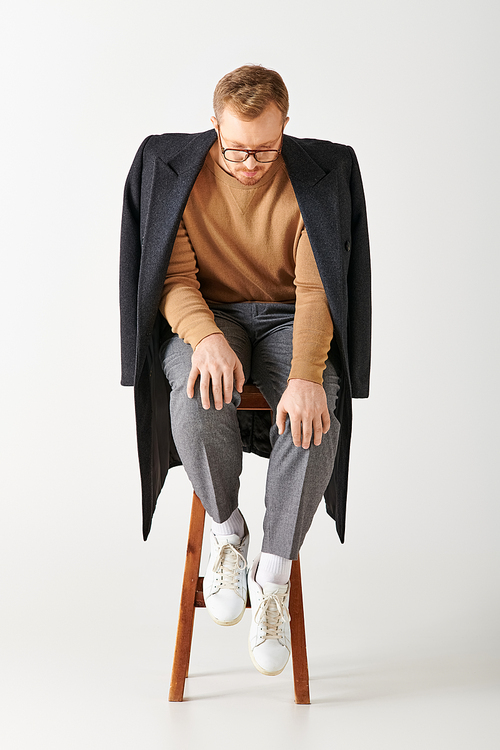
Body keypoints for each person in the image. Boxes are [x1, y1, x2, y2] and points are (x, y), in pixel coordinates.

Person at [119, 65, 371, 677]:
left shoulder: (321, 174)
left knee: (318, 411)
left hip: (290, 314)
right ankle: (229, 532)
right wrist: (204, 338)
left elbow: (318, 289)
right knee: (196, 394)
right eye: (236, 148)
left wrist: (309, 375)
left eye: (265, 148)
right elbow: (173, 277)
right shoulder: (171, 169)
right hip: (209, 310)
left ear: (286, 124)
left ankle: (274, 575)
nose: (250, 163)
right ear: (214, 125)